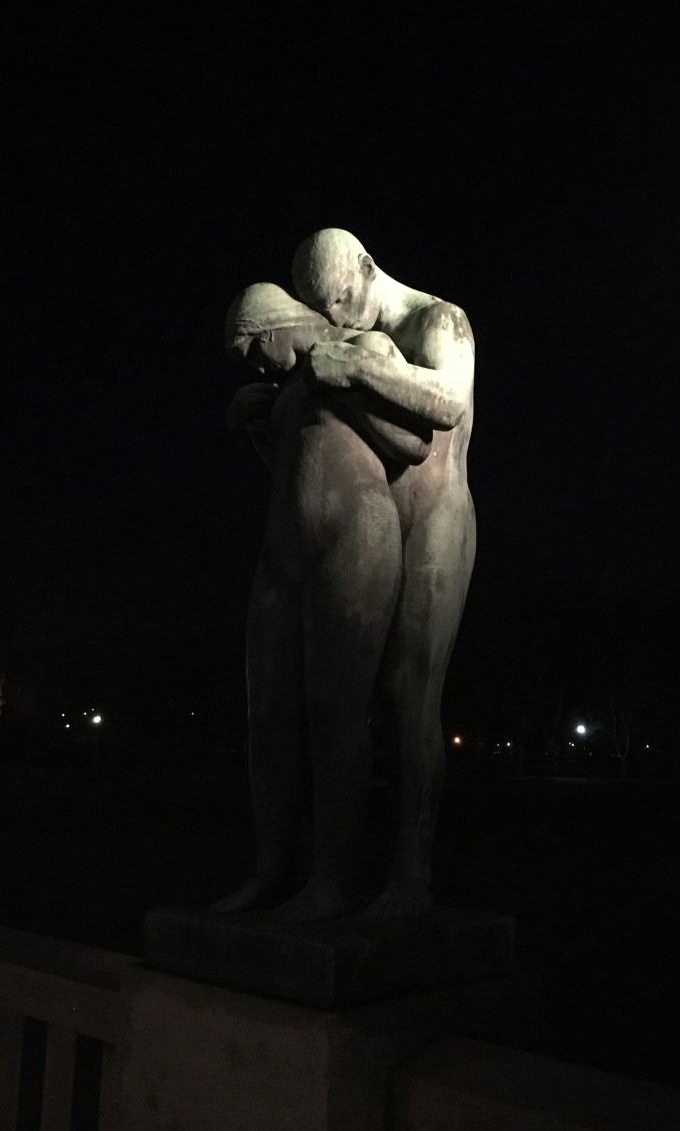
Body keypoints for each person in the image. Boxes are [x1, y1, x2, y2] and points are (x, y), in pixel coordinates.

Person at [214, 284, 434, 919]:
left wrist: (346, 381)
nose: (255, 364)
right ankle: (272, 869)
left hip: (355, 538)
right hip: (282, 552)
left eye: (254, 348)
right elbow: (295, 467)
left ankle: (330, 880)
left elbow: (413, 445)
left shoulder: (366, 348)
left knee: (335, 710)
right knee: (267, 715)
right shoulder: (286, 387)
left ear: (278, 327)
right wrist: (257, 429)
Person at [292, 229, 476, 917]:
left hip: (438, 520)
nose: (337, 319)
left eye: (341, 301)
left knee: (410, 696)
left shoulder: (440, 320)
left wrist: (357, 370)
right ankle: (330, 876)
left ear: (367, 269)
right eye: (325, 311)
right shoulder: (358, 336)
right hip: (376, 523)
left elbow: (448, 401)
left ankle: (410, 879)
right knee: (343, 699)